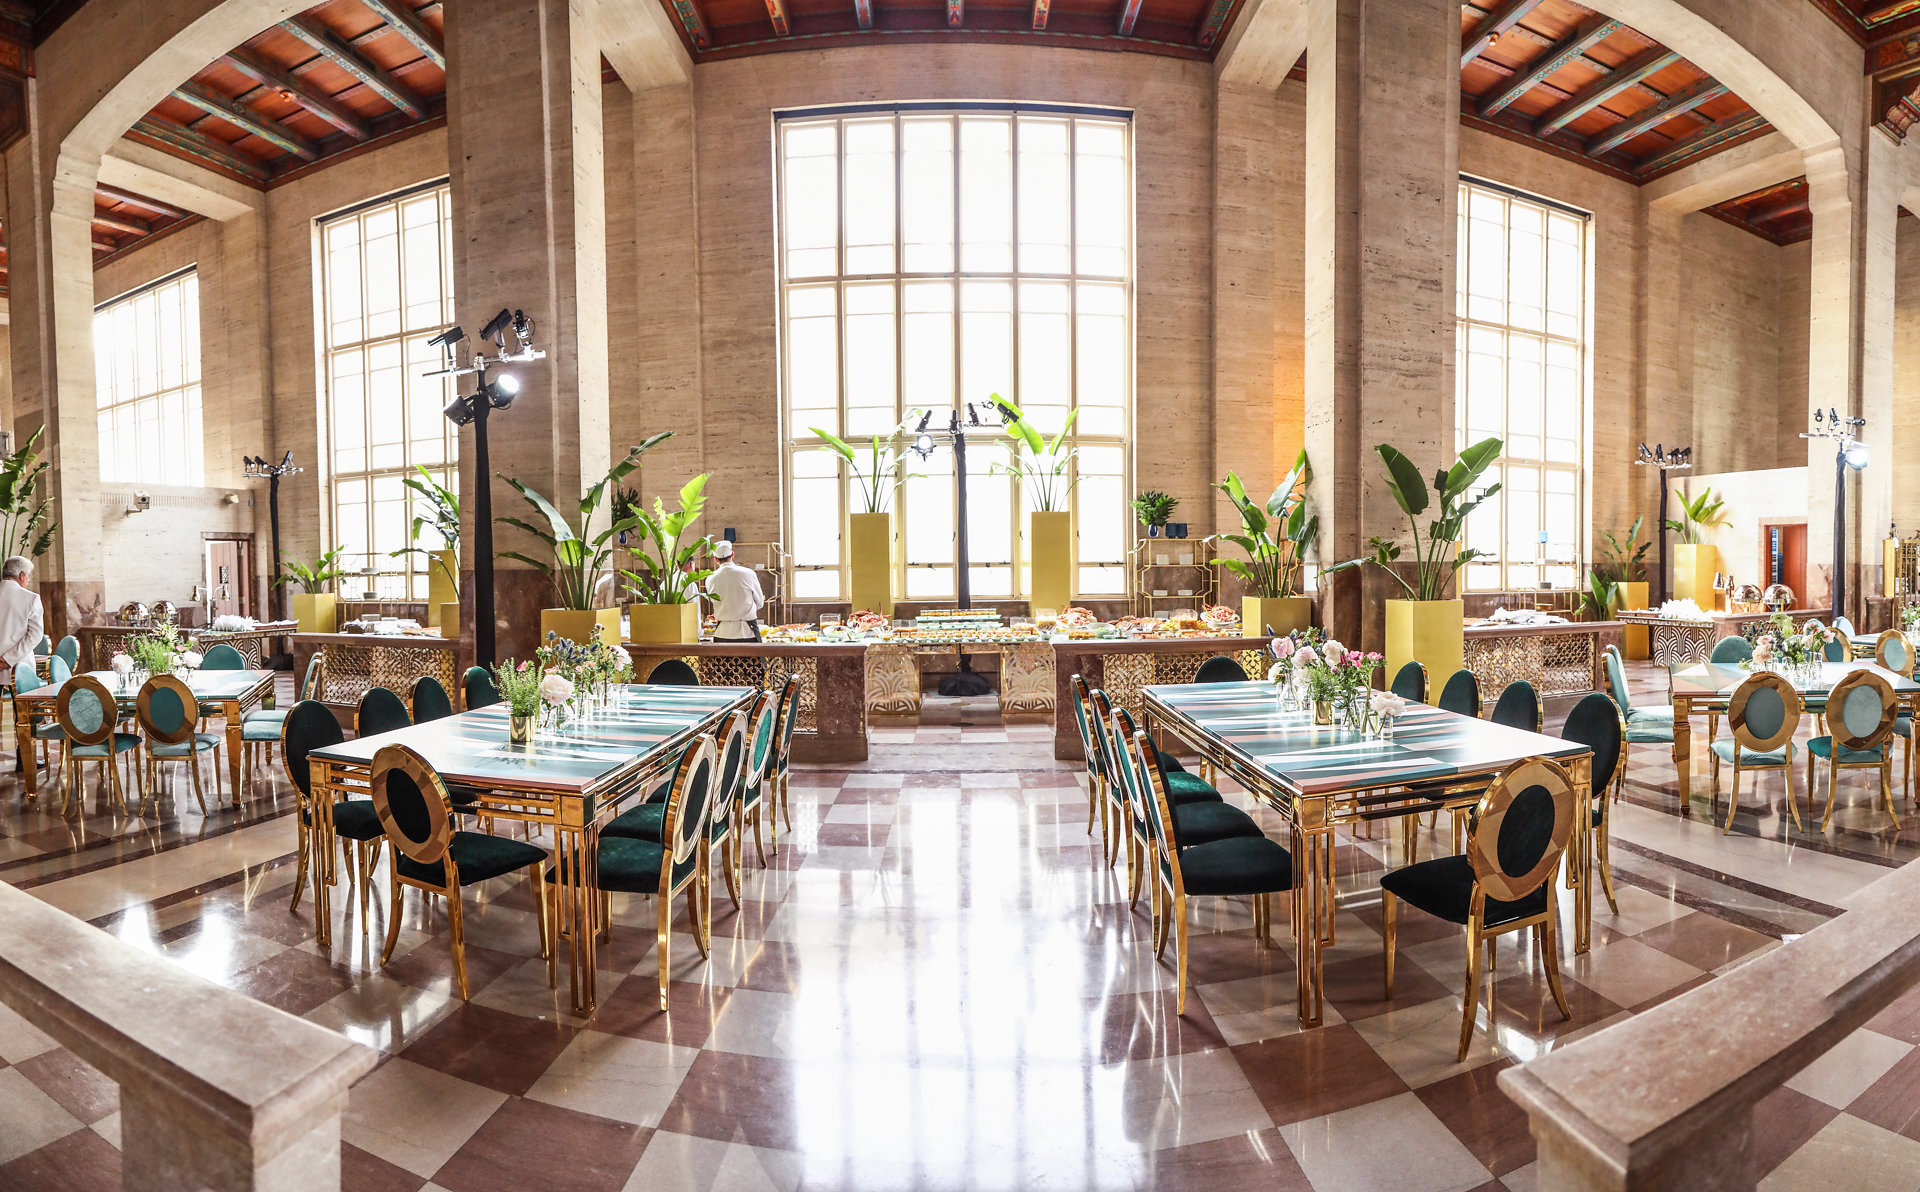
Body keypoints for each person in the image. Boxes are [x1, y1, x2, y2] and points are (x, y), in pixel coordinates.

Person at [704, 540, 766, 642]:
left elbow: (716, 602)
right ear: (732, 554)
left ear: (716, 559)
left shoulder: (710, 578)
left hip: (722, 634)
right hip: (747, 632)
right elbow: (760, 603)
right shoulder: (748, 573)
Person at [0, 555, 44, 687]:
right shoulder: (31, 598)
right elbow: (35, 635)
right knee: (21, 702)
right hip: (18, 668)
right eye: (28, 576)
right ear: (22, 575)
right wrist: (8, 659)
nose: (28, 580)